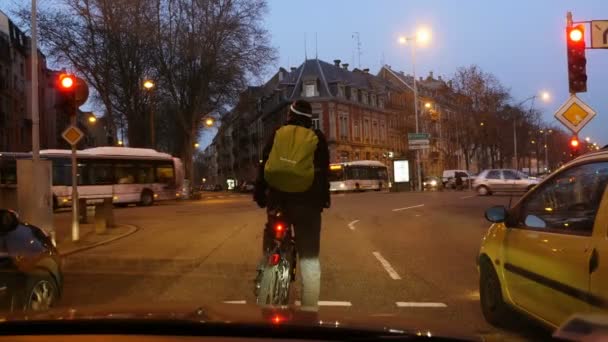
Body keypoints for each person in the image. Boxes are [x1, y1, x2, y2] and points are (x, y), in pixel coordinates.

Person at [253, 99, 330, 312]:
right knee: (309, 257)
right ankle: (309, 308)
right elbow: (323, 173)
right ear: (309, 119)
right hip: (308, 205)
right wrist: (323, 200)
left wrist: (260, 194)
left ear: (290, 115)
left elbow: (264, 165)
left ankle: (270, 262)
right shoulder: (318, 138)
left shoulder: (277, 134)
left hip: (278, 201)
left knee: (274, 239)